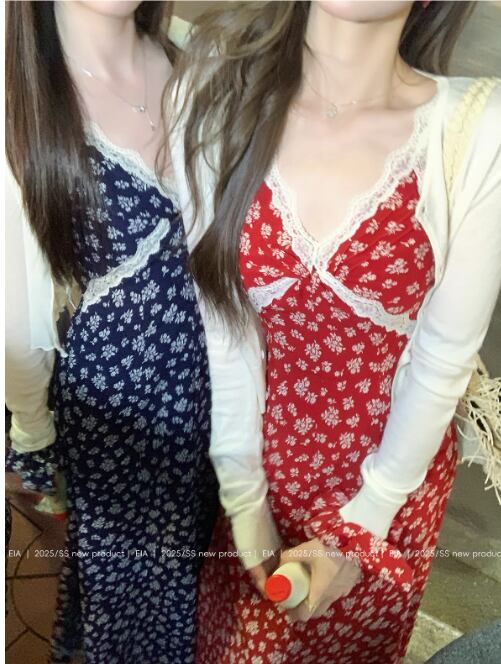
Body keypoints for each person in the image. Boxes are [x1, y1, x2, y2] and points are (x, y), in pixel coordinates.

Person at [168, 1, 501, 662]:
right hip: (258, 463)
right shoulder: (216, 95)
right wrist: (244, 501)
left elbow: (442, 357)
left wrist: (364, 527)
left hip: (391, 484)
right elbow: (224, 327)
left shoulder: (473, 126)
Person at [5, 2, 216, 662]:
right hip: (120, 415)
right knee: (133, 601)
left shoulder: (196, 61)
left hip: (219, 389)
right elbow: (17, 317)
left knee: (205, 577)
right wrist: (32, 430)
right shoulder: (26, 104)